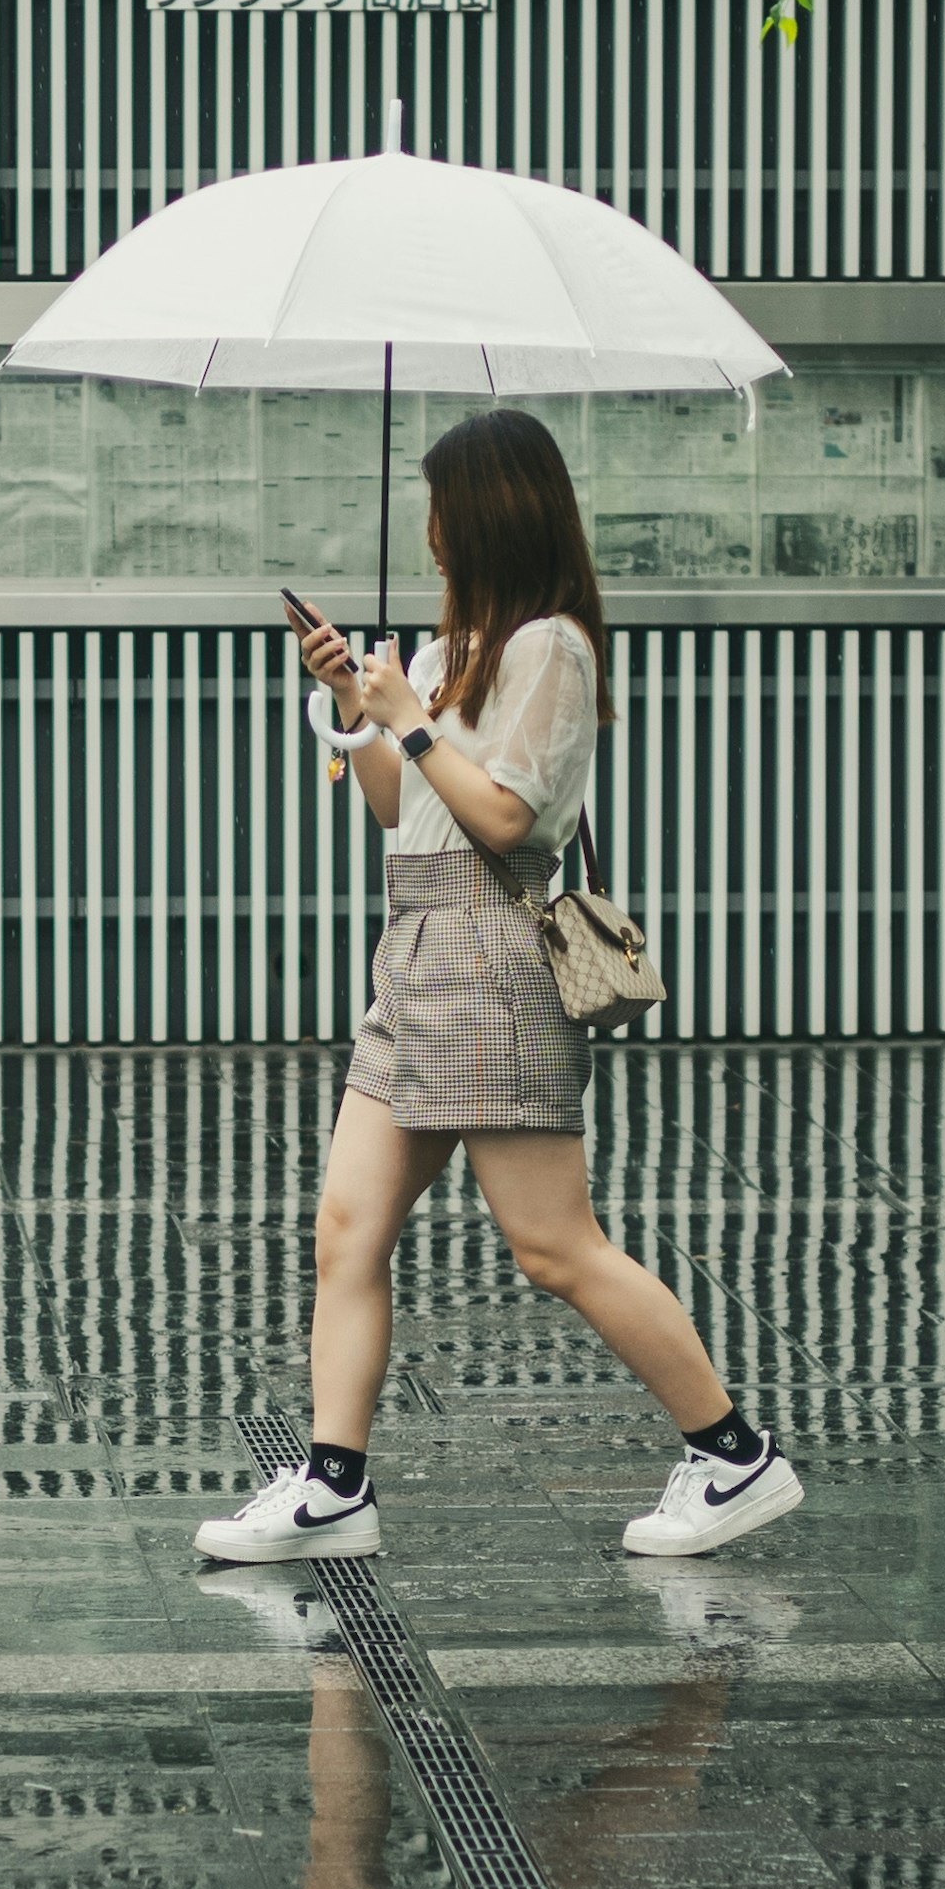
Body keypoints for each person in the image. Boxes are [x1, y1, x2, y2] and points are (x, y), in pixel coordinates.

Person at [194, 408, 801, 1565]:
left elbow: (508, 817)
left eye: (440, 512)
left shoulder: (550, 649)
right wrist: (350, 705)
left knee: (553, 1245)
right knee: (346, 1228)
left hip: (493, 955)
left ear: (487, 516)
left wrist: (412, 722)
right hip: (414, 947)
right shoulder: (442, 647)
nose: (427, 536)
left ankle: (734, 1453)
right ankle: (335, 1486)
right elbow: (394, 810)